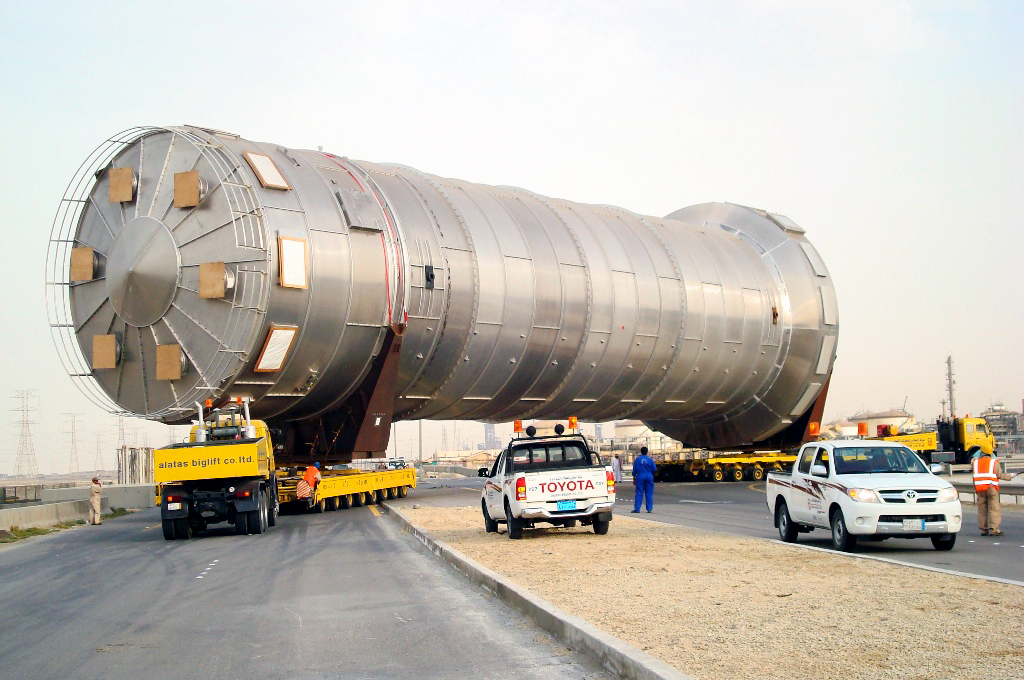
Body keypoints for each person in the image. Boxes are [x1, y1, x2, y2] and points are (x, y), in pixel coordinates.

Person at [972, 447, 1015, 536]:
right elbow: (999, 475)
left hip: (980, 488)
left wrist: (976, 488)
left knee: (982, 509)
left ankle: (983, 530)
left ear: (981, 452)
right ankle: (994, 529)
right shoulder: (993, 462)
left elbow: (974, 477)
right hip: (991, 488)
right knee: (993, 508)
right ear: (990, 453)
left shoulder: (975, 463)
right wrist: (1010, 476)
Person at [631, 447, 656, 513]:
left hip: (640, 476)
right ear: (647, 452)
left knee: (639, 492)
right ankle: (649, 508)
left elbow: (634, 470)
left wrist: (634, 478)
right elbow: (654, 469)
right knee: (649, 493)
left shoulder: (637, 460)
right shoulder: (650, 460)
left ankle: (637, 508)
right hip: (649, 476)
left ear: (641, 452)